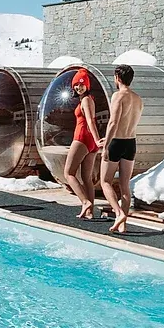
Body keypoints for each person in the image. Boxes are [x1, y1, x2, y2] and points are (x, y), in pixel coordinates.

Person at [98, 64, 144, 234]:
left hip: (116, 143)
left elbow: (113, 122)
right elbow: (127, 123)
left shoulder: (118, 96)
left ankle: (118, 213)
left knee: (105, 181)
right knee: (125, 185)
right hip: (130, 142)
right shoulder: (138, 99)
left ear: (117, 78)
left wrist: (106, 145)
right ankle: (123, 224)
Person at [65, 68, 101, 220]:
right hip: (90, 141)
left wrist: (97, 139)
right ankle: (90, 212)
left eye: (82, 84)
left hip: (82, 137)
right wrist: (96, 142)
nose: (79, 87)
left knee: (69, 173)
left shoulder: (86, 100)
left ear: (87, 85)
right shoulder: (89, 99)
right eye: (76, 85)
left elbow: (90, 121)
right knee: (87, 177)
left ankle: (85, 202)